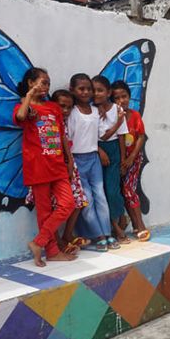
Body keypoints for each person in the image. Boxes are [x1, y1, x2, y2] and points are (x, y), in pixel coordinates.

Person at [13, 68, 77, 267]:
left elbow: (62, 135)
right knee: (44, 212)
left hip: (57, 165)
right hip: (37, 166)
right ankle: (51, 252)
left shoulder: (53, 108)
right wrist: (29, 96)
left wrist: (70, 160)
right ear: (31, 83)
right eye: (42, 82)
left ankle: (38, 242)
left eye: (48, 83)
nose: (46, 87)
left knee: (68, 204)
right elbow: (22, 117)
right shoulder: (25, 107)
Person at [67, 73, 116, 252]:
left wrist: (98, 149)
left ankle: (107, 232)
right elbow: (69, 139)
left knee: (100, 197)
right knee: (86, 200)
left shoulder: (96, 111)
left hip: (93, 159)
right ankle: (98, 235)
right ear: (72, 90)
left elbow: (96, 136)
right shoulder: (72, 113)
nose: (86, 92)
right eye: (81, 88)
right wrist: (70, 162)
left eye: (89, 88)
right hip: (78, 161)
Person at [51, 89, 91, 250]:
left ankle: (67, 234)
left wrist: (70, 162)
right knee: (55, 206)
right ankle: (55, 240)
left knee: (79, 200)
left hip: (69, 166)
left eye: (69, 107)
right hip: (54, 169)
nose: (66, 111)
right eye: (62, 106)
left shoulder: (65, 122)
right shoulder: (51, 123)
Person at [92, 75, 130, 245]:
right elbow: (93, 136)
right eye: (94, 91)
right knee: (102, 192)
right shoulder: (92, 111)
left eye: (100, 90)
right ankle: (115, 225)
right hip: (97, 151)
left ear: (108, 92)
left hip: (114, 151)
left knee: (113, 190)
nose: (96, 94)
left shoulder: (116, 109)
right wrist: (100, 151)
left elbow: (121, 136)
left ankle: (119, 218)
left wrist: (122, 159)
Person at [112, 80, 151, 242]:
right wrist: (122, 161)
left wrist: (132, 157)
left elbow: (141, 136)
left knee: (128, 190)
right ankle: (126, 222)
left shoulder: (134, 115)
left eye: (124, 96)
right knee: (119, 192)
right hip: (117, 160)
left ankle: (140, 225)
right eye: (117, 98)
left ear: (129, 96)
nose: (122, 100)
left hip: (133, 160)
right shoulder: (111, 116)